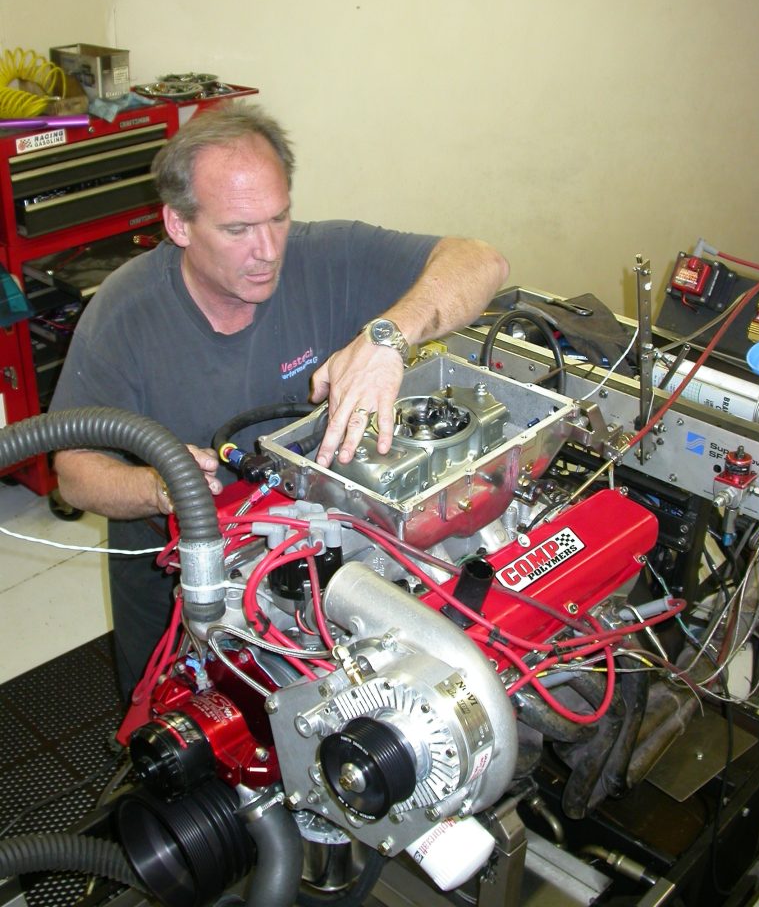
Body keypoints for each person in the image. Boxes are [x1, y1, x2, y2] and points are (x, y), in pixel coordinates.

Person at [50, 103, 509, 698]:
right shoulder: (124, 314)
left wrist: (386, 338)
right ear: (180, 225)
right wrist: (160, 487)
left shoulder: (327, 258)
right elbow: (73, 475)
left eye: (279, 218)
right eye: (238, 230)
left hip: (326, 573)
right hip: (186, 595)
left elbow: (482, 260)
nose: (268, 250)